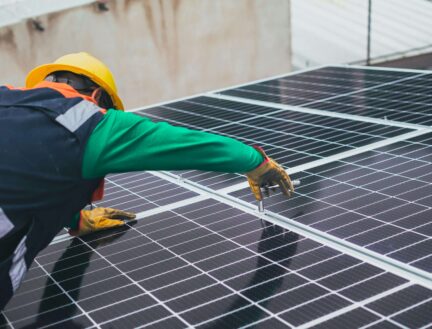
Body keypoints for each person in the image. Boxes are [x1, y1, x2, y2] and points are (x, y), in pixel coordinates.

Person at [0, 52, 294, 310]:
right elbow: (187, 144)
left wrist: (75, 218)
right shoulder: (92, 123)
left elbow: (29, 165)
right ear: (100, 97)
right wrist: (257, 162)